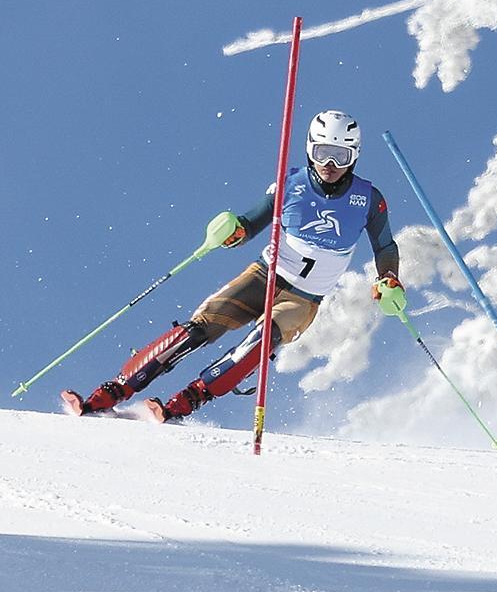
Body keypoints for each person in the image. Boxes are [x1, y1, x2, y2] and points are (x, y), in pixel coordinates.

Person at [62, 110, 406, 422]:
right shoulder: (291, 184)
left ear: (355, 156)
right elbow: (249, 224)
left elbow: (385, 246)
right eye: (321, 153)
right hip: (264, 275)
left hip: (304, 298)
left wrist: (388, 279)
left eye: (340, 156)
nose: (329, 164)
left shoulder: (369, 199)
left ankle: (188, 399)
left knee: (260, 340)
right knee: (199, 327)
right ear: (309, 149)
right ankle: (113, 391)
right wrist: (231, 231)